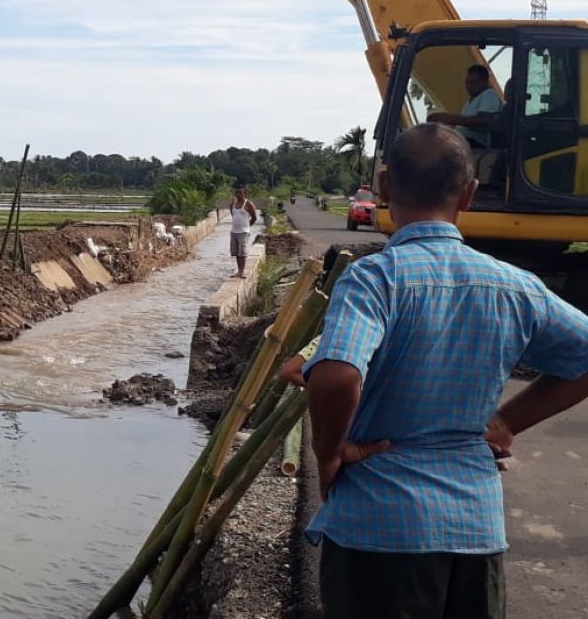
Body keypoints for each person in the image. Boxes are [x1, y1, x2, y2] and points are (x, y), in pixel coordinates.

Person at [301, 123, 588, 618]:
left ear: (385, 187)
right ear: (470, 194)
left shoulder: (374, 279)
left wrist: (330, 452)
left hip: (376, 530)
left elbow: (335, 375)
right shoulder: (517, 286)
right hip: (474, 530)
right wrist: (504, 423)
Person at [427, 64, 502, 148]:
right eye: (467, 82)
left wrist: (451, 119)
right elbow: (464, 120)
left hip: (474, 143)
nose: (469, 86)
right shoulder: (472, 99)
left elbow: (484, 121)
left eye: (473, 83)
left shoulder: (489, 95)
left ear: (485, 82)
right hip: (462, 140)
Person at [229, 184, 257, 278]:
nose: (238, 194)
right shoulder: (233, 204)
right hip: (234, 231)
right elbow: (233, 215)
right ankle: (238, 271)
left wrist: (247, 227)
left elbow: (254, 217)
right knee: (236, 252)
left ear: (244, 193)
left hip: (243, 232)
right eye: (236, 192)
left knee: (243, 252)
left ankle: (242, 272)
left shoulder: (248, 204)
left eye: (240, 193)